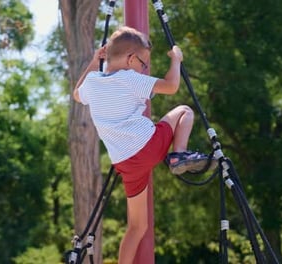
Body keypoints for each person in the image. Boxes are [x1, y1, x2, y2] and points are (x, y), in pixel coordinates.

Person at [73, 26, 214, 263]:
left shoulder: (93, 83)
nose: (144, 68)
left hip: (125, 163)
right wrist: (176, 60)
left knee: (137, 227)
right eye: (143, 63)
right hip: (148, 145)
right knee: (184, 111)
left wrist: (93, 61)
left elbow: (77, 93)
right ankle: (179, 155)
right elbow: (171, 86)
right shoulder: (130, 78)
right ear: (130, 59)